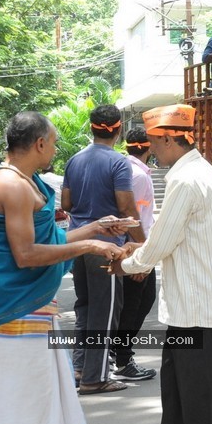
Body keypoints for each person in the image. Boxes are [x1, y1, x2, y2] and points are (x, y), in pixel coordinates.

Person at [107, 104, 212, 424]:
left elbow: (160, 242)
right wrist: (139, 255)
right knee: (181, 404)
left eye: (152, 142)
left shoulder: (184, 179)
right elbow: (169, 240)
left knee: (199, 408)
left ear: (167, 139)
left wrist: (126, 263)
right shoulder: (203, 172)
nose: (149, 151)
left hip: (196, 312)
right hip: (193, 310)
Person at [0, 112, 127, 424]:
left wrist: (97, 228)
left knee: (43, 402)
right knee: (24, 407)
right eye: (53, 143)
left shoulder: (25, 180)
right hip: (15, 314)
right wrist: (88, 244)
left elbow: (51, 239)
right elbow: (26, 254)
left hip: (34, 310)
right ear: (39, 143)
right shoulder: (12, 185)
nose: (55, 150)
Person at [63, 104, 144, 395]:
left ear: (91, 128)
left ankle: (80, 367)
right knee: (106, 311)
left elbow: (67, 205)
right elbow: (126, 206)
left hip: (77, 243)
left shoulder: (74, 160)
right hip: (106, 247)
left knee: (84, 307)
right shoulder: (119, 163)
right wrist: (142, 244)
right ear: (119, 129)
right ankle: (94, 378)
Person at [110, 127, 158, 382]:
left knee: (135, 303)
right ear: (149, 146)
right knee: (135, 304)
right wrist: (139, 259)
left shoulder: (128, 168)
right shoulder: (138, 174)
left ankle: (118, 354)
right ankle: (122, 359)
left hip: (132, 246)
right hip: (135, 247)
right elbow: (132, 217)